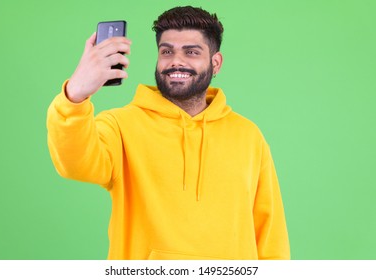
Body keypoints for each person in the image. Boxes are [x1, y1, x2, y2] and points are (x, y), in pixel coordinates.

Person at [47, 6, 290, 260]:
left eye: (192, 52)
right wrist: (75, 93)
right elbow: (74, 164)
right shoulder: (120, 126)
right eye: (166, 51)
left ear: (215, 63)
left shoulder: (248, 136)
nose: (176, 61)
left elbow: (270, 234)